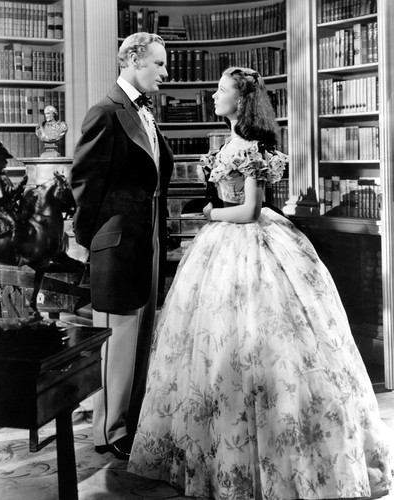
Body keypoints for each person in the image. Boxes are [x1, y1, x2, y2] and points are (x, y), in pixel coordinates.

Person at [127, 67, 393, 499]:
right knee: (215, 347)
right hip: (220, 247)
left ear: (241, 101)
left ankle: (278, 457)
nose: (214, 96)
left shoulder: (251, 148)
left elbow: (251, 210)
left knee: (263, 342)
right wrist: (213, 209)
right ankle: (215, 450)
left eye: (221, 90)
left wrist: (210, 214)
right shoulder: (224, 145)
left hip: (251, 243)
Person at [70, 32, 173, 460]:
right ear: (132, 59)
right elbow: (84, 184)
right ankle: (109, 431)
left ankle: (128, 423)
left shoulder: (144, 112)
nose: (165, 73)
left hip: (147, 237)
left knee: (141, 336)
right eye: (159, 63)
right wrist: (92, 241)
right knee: (117, 339)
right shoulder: (105, 112)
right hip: (115, 242)